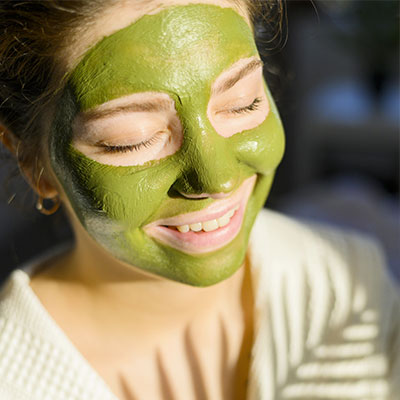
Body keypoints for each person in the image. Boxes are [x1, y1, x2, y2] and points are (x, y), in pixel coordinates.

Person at [0, 1, 398, 399]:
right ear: (33, 162)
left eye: (243, 101)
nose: (217, 179)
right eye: (131, 139)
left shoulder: (351, 287)